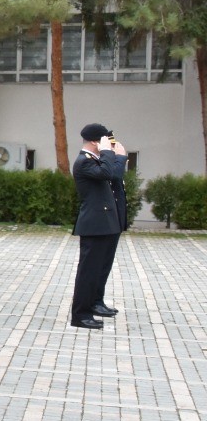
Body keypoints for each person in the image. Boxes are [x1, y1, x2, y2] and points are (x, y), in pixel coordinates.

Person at [70, 123, 128, 329]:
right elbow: (108, 173)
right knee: (88, 272)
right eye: (104, 140)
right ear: (95, 141)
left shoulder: (95, 160)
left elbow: (111, 174)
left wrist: (108, 154)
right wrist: (115, 155)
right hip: (94, 225)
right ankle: (80, 315)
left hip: (104, 223)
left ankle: (93, 303)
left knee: (99, 269)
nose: (109, 144)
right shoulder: (84, 162)